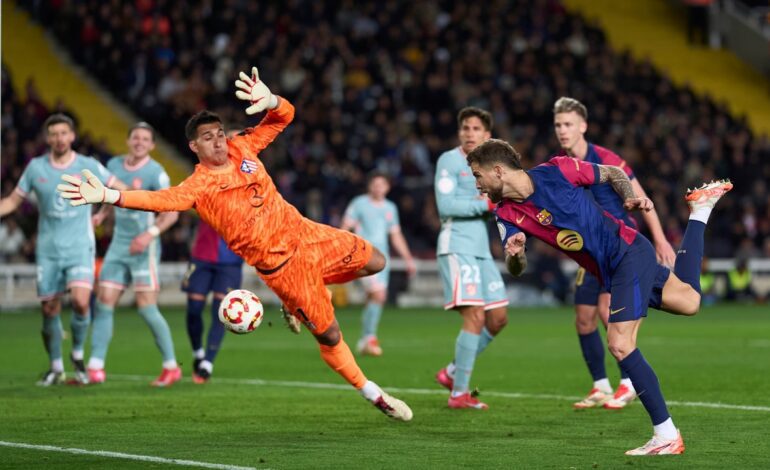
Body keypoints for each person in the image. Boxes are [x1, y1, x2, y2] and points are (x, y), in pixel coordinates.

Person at [57, 66, 412, 420]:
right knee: (331, 335)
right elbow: (159, 200)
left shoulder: (242, 146)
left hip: (307, 234)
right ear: (194, 146)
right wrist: (107, 194)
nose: (218, 140)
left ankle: (302, 296)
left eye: (220, 132)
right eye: (208, 137)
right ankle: (374, 394)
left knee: (376, 261)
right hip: (284, 269)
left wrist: (271, 99)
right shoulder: (197, 187)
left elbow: (283, 118)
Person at [467, 138, 731, 455]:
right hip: (611, 268)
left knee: (620, 343)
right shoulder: (505, 213)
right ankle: (700, 211)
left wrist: (631, 199)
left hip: (627, 252)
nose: (478, 185)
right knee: (690, 302)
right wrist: (516, 253)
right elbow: (516, 268)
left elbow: (613, 174)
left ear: (497, 171)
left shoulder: (558, 169)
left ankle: (667, 434)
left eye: (478, 175)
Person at [552, 97, 677, 410]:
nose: (563, 130)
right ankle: (600, 386)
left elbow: (640, 197)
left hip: (619, 246)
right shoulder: (561, 166)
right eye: (558, 125)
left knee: (609, 313)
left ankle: (628, 383)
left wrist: (660, 240)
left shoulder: (606, 159)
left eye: (568, 124)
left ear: (583, 126)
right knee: (583, 319)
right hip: (592, 251)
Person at [0, 113, 123, 385]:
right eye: (54, 134)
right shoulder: (36, 168)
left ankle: (77, 354)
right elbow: (12, 201)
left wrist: (105, 211)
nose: (59, 138)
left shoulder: (87, 165)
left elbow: (117, 188)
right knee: (49, 309)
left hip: (80, 246)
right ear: (47, 138)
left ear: (72, 136)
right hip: (48, 249)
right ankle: (56, 366)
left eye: (63, 133)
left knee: (80, 301)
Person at [86, 122, 181, 386]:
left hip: (144, 247)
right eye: (135, 137)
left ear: (151, 145)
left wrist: (148, 235)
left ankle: (171, 366)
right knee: (104, 300)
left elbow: (171, 212)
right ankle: (95, 367)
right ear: (128, 141)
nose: (139, 142)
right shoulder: (114, 165)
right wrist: (102, 215)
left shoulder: (156, 172)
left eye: (145, 139)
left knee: (146, 307)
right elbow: (110, 197)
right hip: (119, 245)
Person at [433, 107, 509, 410]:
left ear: (487, 136)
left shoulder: (491, 166)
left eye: (476, 129)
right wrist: (485, 203)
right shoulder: (449, 161)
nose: (469, 133)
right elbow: (446, 204)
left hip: (481, 250)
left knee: (498, 318)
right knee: (475, 317)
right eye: (465, 128)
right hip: (457, 246)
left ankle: (452, 372)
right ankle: (459, 394)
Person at [341, 171, 416, 356]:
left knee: (372, 299)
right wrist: (341, 250)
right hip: (363, 256)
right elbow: (345, 227)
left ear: (387, 187)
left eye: (382, 185)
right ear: (370, 186)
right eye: (375, 184)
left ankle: (364, 341)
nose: (378, 188)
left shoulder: (390, 208)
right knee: (379, 295)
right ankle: (370, 337)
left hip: (383, 259)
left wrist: (407, 258)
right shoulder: (359, 204)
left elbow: (395, 235)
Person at [182, 217, 244, 383]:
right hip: (202, 254)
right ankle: (198, 353)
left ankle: (207, 364)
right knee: (194, 308)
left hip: (231, 260)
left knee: (221, 312)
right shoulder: (207, 191)